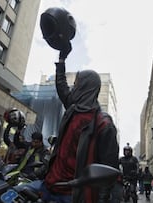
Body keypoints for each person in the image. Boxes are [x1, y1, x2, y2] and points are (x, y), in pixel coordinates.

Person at [36, 42, 119, 203]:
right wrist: (62, 58)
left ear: (86, 87)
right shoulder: (73, 109)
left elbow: (108, 170)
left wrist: (103, 198)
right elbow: (61, 87)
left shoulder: (103, 125)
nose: (73, 88)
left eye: (77, 85)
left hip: (72, 195)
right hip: (49, 187)